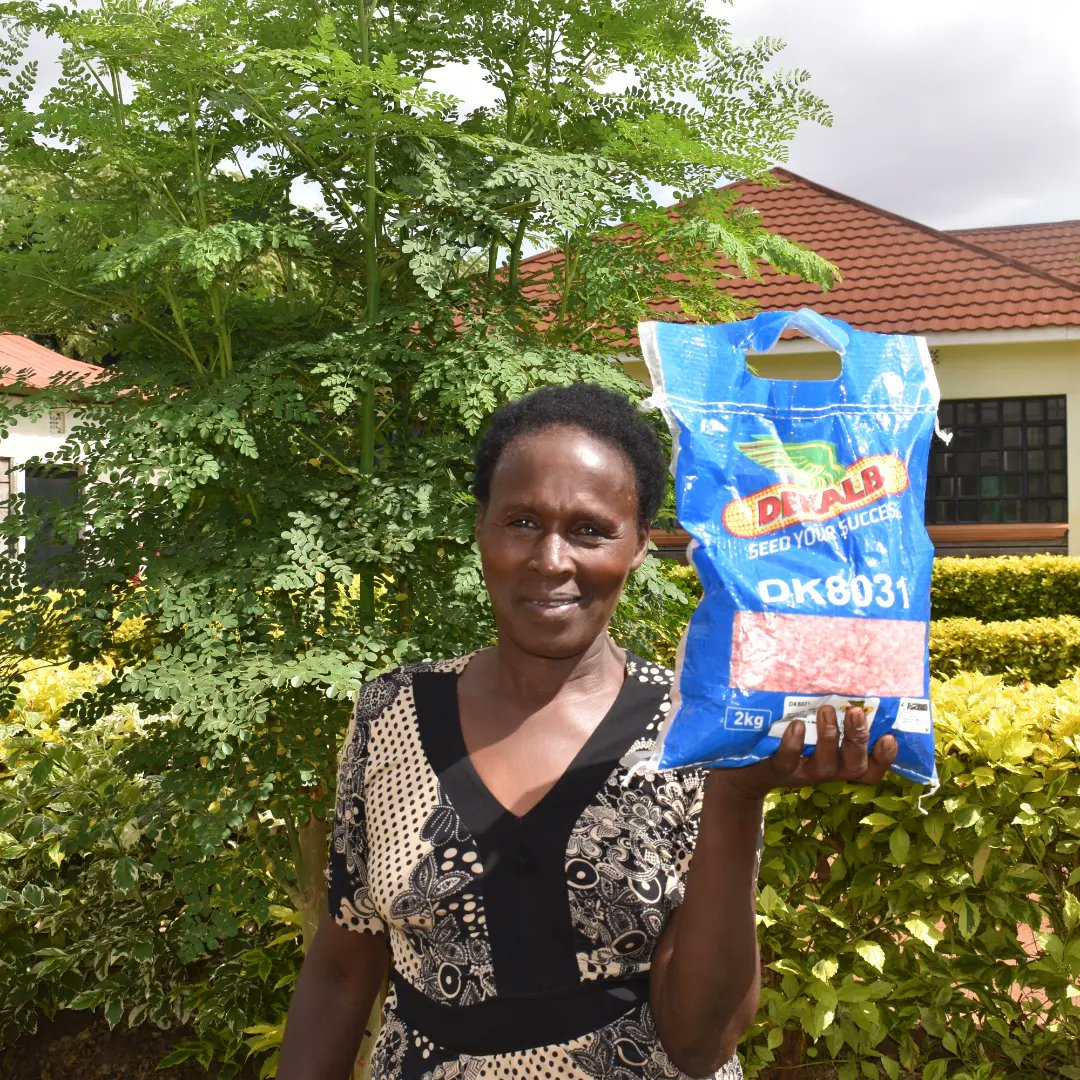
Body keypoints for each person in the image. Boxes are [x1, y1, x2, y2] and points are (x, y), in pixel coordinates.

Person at [278, 383, 897, 1080]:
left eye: (589, 530)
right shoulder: (390, 713)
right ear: (480, 525)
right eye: (521, 522)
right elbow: (339, 969)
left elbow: (700, 1042)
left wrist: (739, 795)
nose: (551, 560)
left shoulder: (697, 726)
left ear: (638, 544)